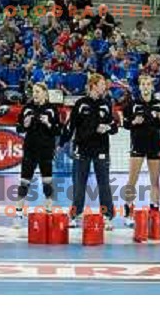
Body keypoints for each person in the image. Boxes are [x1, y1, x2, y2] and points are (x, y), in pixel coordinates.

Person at [59, 74, 117, 229]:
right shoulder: (81, 103)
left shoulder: (106, 104)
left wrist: (108, 128)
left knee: (104, 184)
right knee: (79, 185)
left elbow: (114, 126)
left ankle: (107, 216)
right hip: (82, 149)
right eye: (102, 83)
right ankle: (75, 214)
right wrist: (61, 143)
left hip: (101, 149)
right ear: (93, 85)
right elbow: (70, 126)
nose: (105, 86)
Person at [122, 75, 160, 226]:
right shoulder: (133, 104)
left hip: (154, 145)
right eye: (143, 84)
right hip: (138, 145)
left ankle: (154, 211)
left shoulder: (159, 104)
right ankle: (128, 212)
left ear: (152, 87)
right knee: (131, 181)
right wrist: (134, 121)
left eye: (148, 84)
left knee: (155, 181)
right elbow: (126, 124)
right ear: (140, 87)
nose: (146, 86)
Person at [15, 83, 61, 224]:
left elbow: (58, 131)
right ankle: (18, 214)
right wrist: (25, 124)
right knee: (24, 182)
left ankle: (48, 212)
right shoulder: (27, 108)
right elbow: (19, 128)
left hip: (46, 150)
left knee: (47, 182)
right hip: (30, 149)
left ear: (45, 93)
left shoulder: (52, 109)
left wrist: (48, 123)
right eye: (33, 91)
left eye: (38, 91)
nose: (35, 94)